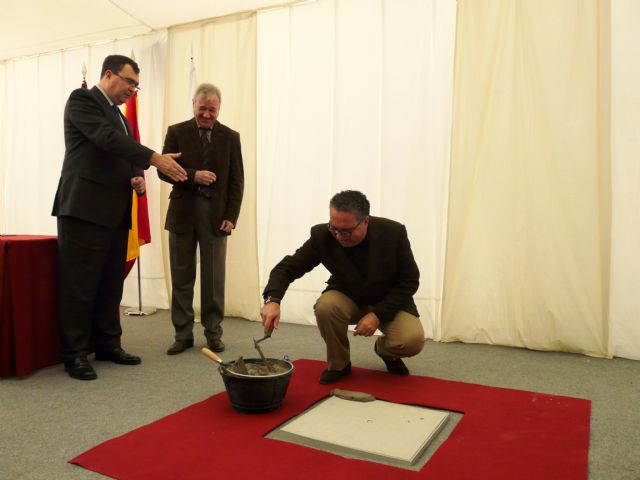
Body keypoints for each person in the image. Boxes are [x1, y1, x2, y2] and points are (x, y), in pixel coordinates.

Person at [52, 55, 187, 381]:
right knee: (80, 284)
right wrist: (154, 159)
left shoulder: (120, 116)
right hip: (83, 208)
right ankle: (74, 354)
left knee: (110, 283)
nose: (132, 90)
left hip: (114, 210)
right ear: (109, 74)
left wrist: (135, 175)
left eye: (136, 85)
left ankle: (108, 344)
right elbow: (105, 139)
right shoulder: (82, 99)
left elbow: (120, 153)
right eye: (130, 82)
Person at [261, 190, 425, 384]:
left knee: (411, 342)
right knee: (326, 306)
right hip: (348, 295)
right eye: (334, 228)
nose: (339, 236)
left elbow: (410, 280)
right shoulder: (322, 235)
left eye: (346, 231)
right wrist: (273, 300)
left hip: (389, 299)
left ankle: (385, 351)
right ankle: (339, 364)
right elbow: (287, 268)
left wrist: (377, 315)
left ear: (365, 221)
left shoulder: (393, 233)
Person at [159, 83, 244, 356]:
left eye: (212, 110)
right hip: (182, 214)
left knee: (213, 280)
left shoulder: (231, 137)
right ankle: (182, 335)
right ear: (193, 105)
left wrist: (231, 216)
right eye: (202, 108)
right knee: (181, 277)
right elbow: (162, 171)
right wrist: (193, 175)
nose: (207, 114)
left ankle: (213, 333)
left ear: (219, 109)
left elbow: (237, 181)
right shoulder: (176, 132)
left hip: (216, 217)